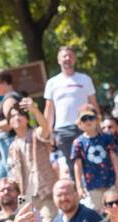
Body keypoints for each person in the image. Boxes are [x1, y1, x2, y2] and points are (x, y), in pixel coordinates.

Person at [45, 45, 99, 178]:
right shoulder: (52, 83)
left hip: (85, 125)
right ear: (58, 60)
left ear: (74, 59)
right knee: (72, 164)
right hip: (63, 130)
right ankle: (78, 194)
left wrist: (99, 123)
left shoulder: (85, 79)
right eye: (64, 56)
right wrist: (48, 131)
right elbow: (49, 109)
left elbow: (93, 103)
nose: (67, 59)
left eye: (70, 56)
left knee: (91, 161)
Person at [7, 97, 58, 222]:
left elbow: (45, 127)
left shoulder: (36, 134)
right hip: (25, 197)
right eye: (12, 116)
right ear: (9, 123)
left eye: (20, 114)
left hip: (45, 191)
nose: (16, 117)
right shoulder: (12, 146)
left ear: (27, 119)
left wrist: (34, 110)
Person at [71, 108, 118, 211]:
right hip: (91, 185)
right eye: (84, 119)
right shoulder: (78, 142)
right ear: (79, 124)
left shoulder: (106, 138)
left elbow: (114, 158)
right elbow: (78, 165)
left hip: (110, 181)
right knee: (95, 211)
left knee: (113, 209)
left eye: (91, 118)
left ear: (97, 120)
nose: (88, 121)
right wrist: (79, 186)